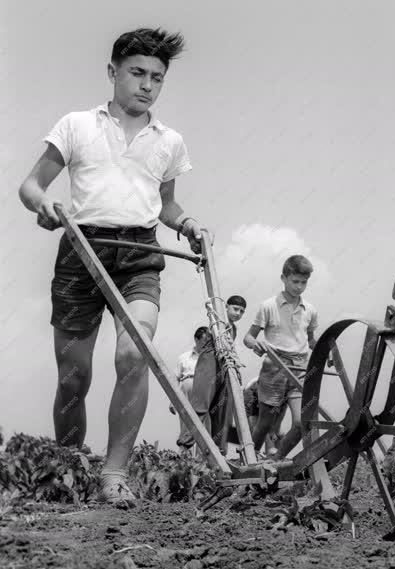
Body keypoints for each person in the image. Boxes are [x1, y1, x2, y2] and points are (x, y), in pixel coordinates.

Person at [18, 28, 201, 507]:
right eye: (137, 73)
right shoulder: (77, 125)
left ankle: (114, 475)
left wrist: (188, 224)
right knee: (72, 376)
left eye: (156, 78)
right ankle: (68, 463)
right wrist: (45, 206)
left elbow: (166, 207)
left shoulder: (169, 141)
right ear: (113, 72)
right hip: (81, 248)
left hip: (139, 254)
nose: (146, 85)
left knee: (133, 354)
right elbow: (31, 186)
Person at [244, 255, 318, 459]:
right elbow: (248, 338)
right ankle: (250, 460)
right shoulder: (269, 306)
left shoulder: (310, 310)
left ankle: (274, 462)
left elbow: (310, 340)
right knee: (265, 423)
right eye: (295, 281)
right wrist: (255, 344)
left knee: (300, 422)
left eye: (304, 282)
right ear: (283, 278)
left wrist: (323, 351)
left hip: (300, 367)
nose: (299, 287)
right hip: (274, 366)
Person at [177, 295, 247, 451]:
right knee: (200, 406)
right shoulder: (218, 320)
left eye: (242, 311)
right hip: (210, 362)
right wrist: (213, 306)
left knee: (223, 410)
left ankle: (219, 452)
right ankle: (184, 447)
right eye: (235, 309)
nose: (238, 313)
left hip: (225, 366)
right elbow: (213, 307)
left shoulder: (233, 329)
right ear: (226, 307)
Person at [169, 327, 208, 449]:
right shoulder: (184, 357)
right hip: (185, 392)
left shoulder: (211, 357)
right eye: (204, 341)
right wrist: (172, 400)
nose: (206, 344)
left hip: (204, 392)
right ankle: (185, 458)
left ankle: (203, 459)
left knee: (204, 426)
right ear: (196, 339)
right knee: (186, 423)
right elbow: (175, 379)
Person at [243, 377, 287, 455]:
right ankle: (253, 454)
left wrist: (276, 428)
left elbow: (282, 411)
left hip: (269, 393)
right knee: (257, 428)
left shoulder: (286, 392)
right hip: (251, 396)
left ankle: (276, 455)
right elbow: (263, 422)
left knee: (279, 433)